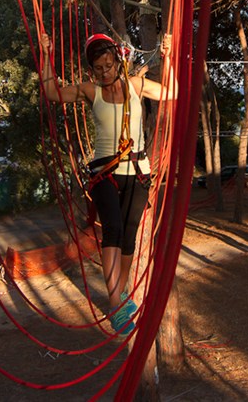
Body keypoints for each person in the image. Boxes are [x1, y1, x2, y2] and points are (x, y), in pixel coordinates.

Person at [38, 31, 175, 336]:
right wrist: (46, 54)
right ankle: (116, 302)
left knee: (129, 234)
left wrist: (169, 59)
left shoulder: (137, 86)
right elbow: (52, 93)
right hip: (105, 173)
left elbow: (172, 91)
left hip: (139, 171)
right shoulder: (90, 91)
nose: (104, 72)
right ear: (92, 69)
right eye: (98, 68)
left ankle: (119, 294)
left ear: (118, 61)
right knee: (112, 228)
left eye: (108, 65)